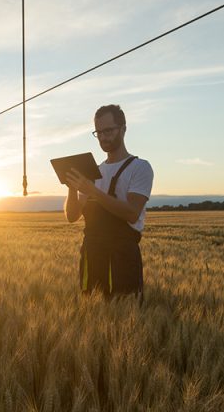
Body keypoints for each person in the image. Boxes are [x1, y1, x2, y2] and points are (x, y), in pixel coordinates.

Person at [63, 104, 154, 300]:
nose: (103, 137)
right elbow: (72, 216)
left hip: (122, 256)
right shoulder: (93, 171)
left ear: (123, 128)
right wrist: (71, 186)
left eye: (109, 131)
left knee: (125, 315)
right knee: (92, 315)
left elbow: (132, 212)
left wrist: (92, 190)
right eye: (99, 132)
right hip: (92, 255)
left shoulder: (140, 168)